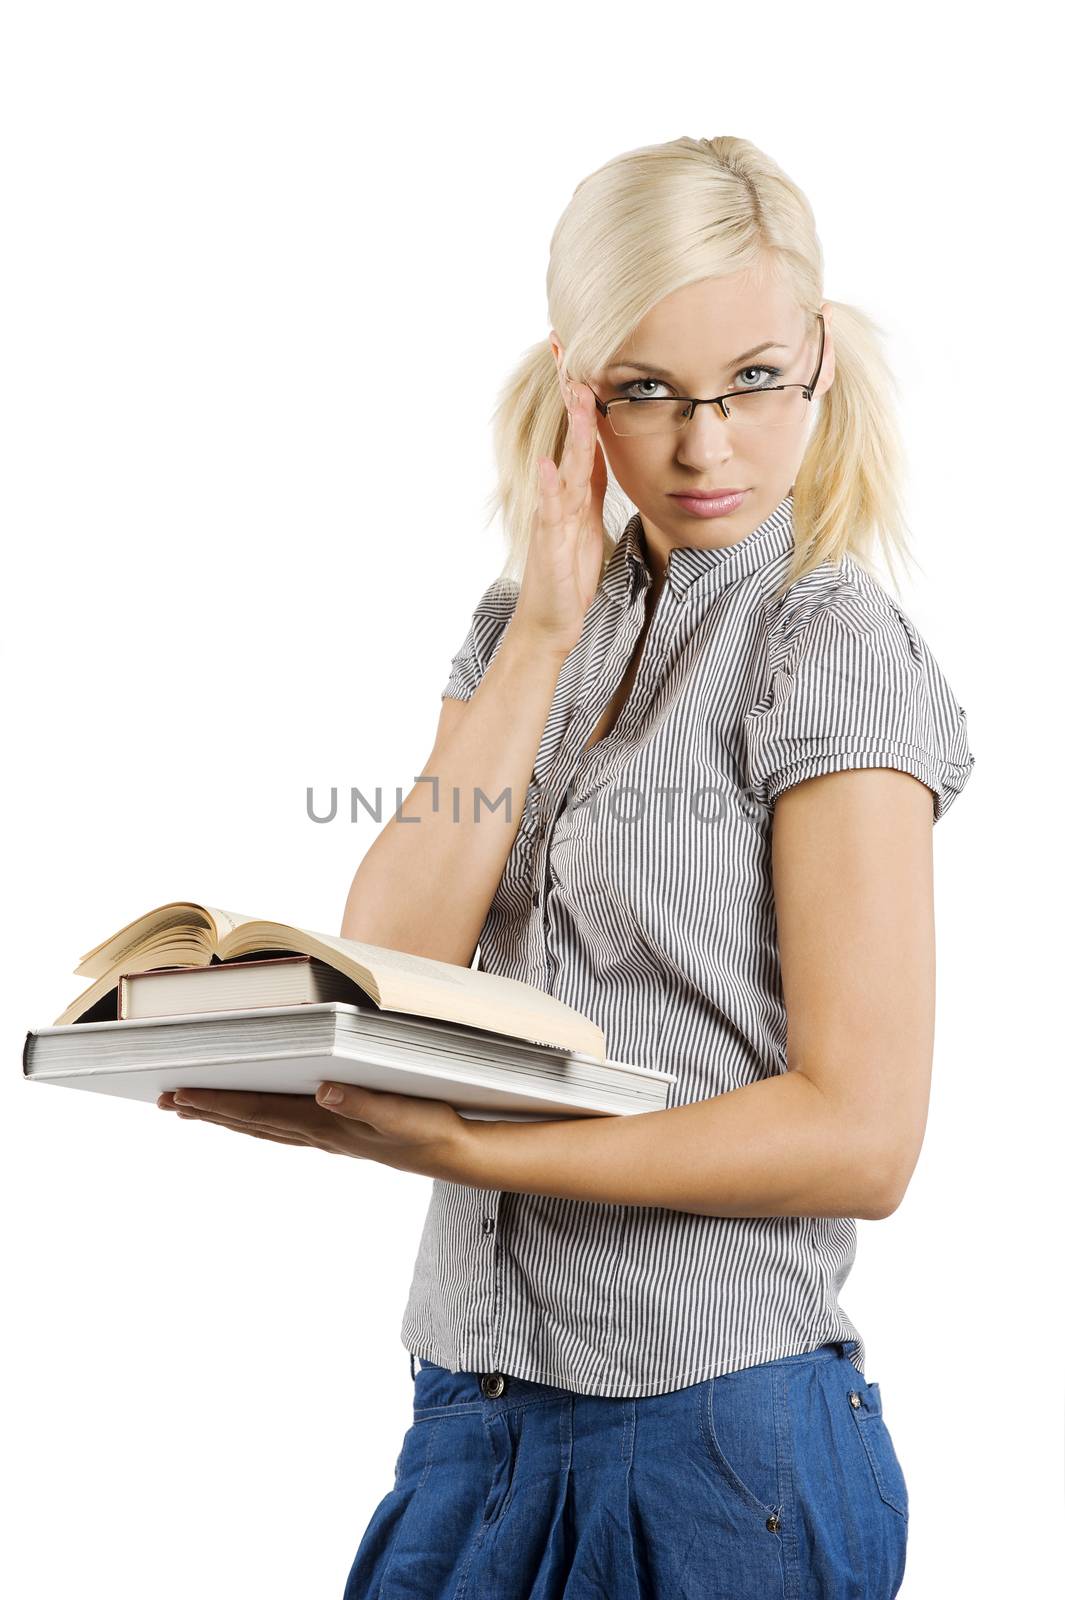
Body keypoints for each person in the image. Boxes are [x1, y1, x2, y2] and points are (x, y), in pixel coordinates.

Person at [160, 134, 975, 1598]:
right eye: (645, 391)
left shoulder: (825, 649)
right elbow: (392, 961)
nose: (703, 445)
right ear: (574, 388)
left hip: (717, 1435)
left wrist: (478, 1153)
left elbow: (862, 1137)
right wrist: (541, 630)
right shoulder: (525, 625)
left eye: (751, 383)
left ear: (821, 366)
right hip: (468, 1414)